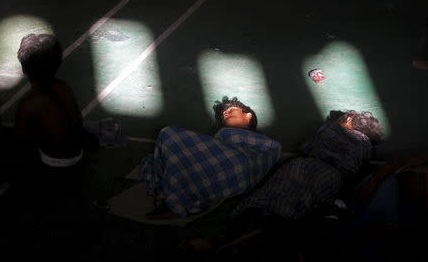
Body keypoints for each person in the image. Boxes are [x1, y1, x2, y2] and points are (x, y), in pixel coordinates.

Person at [183, 110, 384, 256]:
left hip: (308, 171)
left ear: (349, 119)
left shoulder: (331, 130)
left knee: (275, 199)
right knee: (290, 207)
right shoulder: (366, 148)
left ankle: (240, 234)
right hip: (330, 180)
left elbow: (310, 145)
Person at [139, 96, 282, 219]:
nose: (226, 113)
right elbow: (208, 154)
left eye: (231, 110)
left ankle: (174, 200)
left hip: (240, 167)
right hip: (223, 172)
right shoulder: (217, 142)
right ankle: (179, 198)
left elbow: (272, 151)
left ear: (248, 115)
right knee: (156, 157)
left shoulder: (262, 141)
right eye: (224, 112)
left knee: (168, 134)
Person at [14, 33, 83, 171]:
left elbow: (21, 143)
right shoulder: (64, 87)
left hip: (53, 163)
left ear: (24, 69)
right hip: (78, 155)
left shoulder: (29, 103)